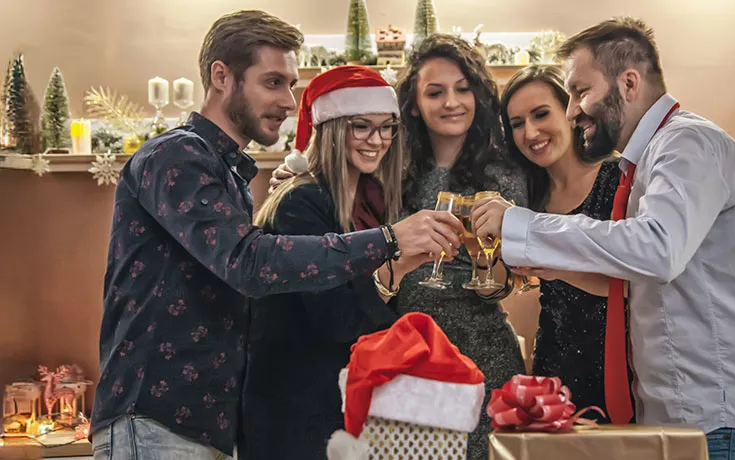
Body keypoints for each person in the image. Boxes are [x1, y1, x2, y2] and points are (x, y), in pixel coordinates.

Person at [90, 11, 462, 460]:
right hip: (156, 418)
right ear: (221, 77)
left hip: (206, 424)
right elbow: (250, 263)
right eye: (273, 83)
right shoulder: (177, 154)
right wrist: (389, 241)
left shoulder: (226, 174)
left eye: (291, 84)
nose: (289, 102)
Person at [473, 17, 735, 460]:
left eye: (580, 92)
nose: (572, 111)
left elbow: (657, 249)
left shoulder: (686, 143)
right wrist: (553, 266)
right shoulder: (649, 160)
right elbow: (647, 277)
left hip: (725, 425)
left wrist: (521, 224)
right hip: (691, 422)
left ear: (628, 83)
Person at [270, 34, 526, 460]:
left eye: (463, 89)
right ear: (412, 105)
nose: (452, 102)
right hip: (396, 345)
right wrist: (296, 173)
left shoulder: (504, 174)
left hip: (480, 347)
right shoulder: (390, 166)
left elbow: (509, 281)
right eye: (435, 92)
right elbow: (338, 206)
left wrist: (489, 273)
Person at [241, 66, 432, 459]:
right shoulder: (299, 203)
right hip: (297, 415)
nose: (377, 140)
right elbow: (335, 320)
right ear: (331, 128)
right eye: (361, 126)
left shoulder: (375, 199)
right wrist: (397, 266)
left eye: (387, 127)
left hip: (348, 410)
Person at [498, 64, 625, 418]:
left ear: (571, 113)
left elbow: (635, 285)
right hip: (553, 369)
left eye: (541, 114)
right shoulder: (529, 195)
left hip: (621, 368)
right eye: (517, 123)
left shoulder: (618, 179)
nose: (531, 132)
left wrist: (557, 267)